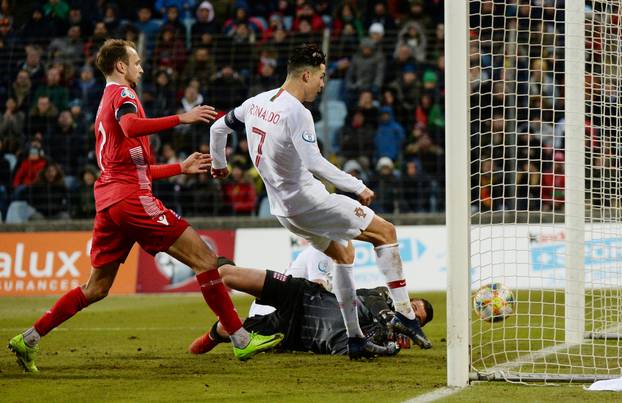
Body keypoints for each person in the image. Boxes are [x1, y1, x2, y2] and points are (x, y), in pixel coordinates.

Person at [8, 39, 283, 374]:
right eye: (135, 61)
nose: (140, 67)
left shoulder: (104, 102)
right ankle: (240, 338)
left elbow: (129, 167)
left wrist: (178, 168)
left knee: (97, 287)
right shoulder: (124, 95)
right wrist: (181, 118)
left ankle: (30, 337)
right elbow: (130, 127)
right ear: (121, 66)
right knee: (206, 259)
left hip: (110, 201)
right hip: (131, 199)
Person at [209, 44, 431, 359]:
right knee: (387, 233)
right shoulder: (298, 112)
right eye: (322, 77)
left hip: (284, 211)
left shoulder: (256, 102)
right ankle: (406, 314)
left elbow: (218, 128)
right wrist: (357, 186)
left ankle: (355, 339)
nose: (323, 84)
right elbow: (314, 163)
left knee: (343, 255)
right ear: (306, 74)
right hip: (310, 203)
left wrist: (220, 165)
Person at [188, 256, 434, 356]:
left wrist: (387, 347)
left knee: (231, 331)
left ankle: (215, 333)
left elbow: (347, 350)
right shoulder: (381, 296)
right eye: (412, 308)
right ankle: (200, 258)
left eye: (417, 319)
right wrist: (387, 317)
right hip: (302, 294)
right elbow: (370, 300)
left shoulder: (380, 339)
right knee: (226, 274)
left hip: (295, 334)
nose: (411, 315)